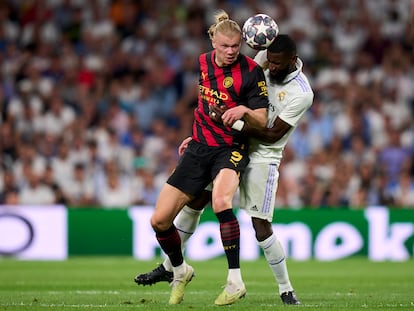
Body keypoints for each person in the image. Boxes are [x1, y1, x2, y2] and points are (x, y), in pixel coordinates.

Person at [135, 34, 314, 306]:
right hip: (227, 144)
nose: (271, 67)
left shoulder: (302, 93)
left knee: (261, 226)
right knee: (194, 202)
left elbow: (271, 135)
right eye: (270, 61)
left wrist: (234, 122)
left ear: (293, 60)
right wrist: (204, 135)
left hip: (263, 156)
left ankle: (285, 289)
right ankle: (170, 267)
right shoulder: (263, 59)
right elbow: (235, 94)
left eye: (277, 64)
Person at [146, 10, 269, 305]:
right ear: (213, 40)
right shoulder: (202, 62)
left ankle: (235, 280)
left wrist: (244, 111)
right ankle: (180, 270)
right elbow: (206, 102)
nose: (230, 52)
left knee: (221, 202)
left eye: (236, 46)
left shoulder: (251, 71)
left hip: (231, 148)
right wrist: (196, 132)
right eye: (225, 46)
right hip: (199, 147)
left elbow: (263, 120)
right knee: (160, 221)